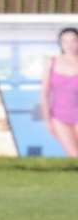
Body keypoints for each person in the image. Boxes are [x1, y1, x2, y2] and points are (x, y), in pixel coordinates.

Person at [40, 27, 78, 159]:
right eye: (65, 41)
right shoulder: (51, 62)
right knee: (74, 156)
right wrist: (47, 120)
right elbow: (44, 94)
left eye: (74, 41)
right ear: (60, 43)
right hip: (58, 117)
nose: (70, 45)